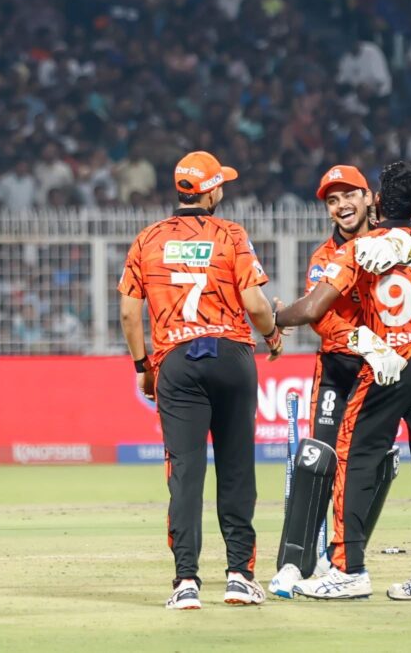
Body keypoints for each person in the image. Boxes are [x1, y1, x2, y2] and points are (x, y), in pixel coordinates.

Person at [268, 165, 411, 598]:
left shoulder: (390, 240)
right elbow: (321, 318)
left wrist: (404, 238)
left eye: (349, 195)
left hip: (386, 366)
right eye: (332, 201)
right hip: (343, 365)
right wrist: (359, 339)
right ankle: (295, 564)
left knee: (366, 464)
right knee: (320, 460)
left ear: (372, 199)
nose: (341, 206)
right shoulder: (325, 256)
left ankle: (347, 561)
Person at [118, 150, 281, 610]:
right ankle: (239, 576)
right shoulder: (231, 234)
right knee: (236, 468)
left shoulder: (148, 239)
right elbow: (255, 304)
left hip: (177, 361)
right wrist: (272, 336)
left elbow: (129, 312)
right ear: (212, 191)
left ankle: (186, 582)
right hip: (231, 356)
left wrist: (143, 366)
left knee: (185, 473)